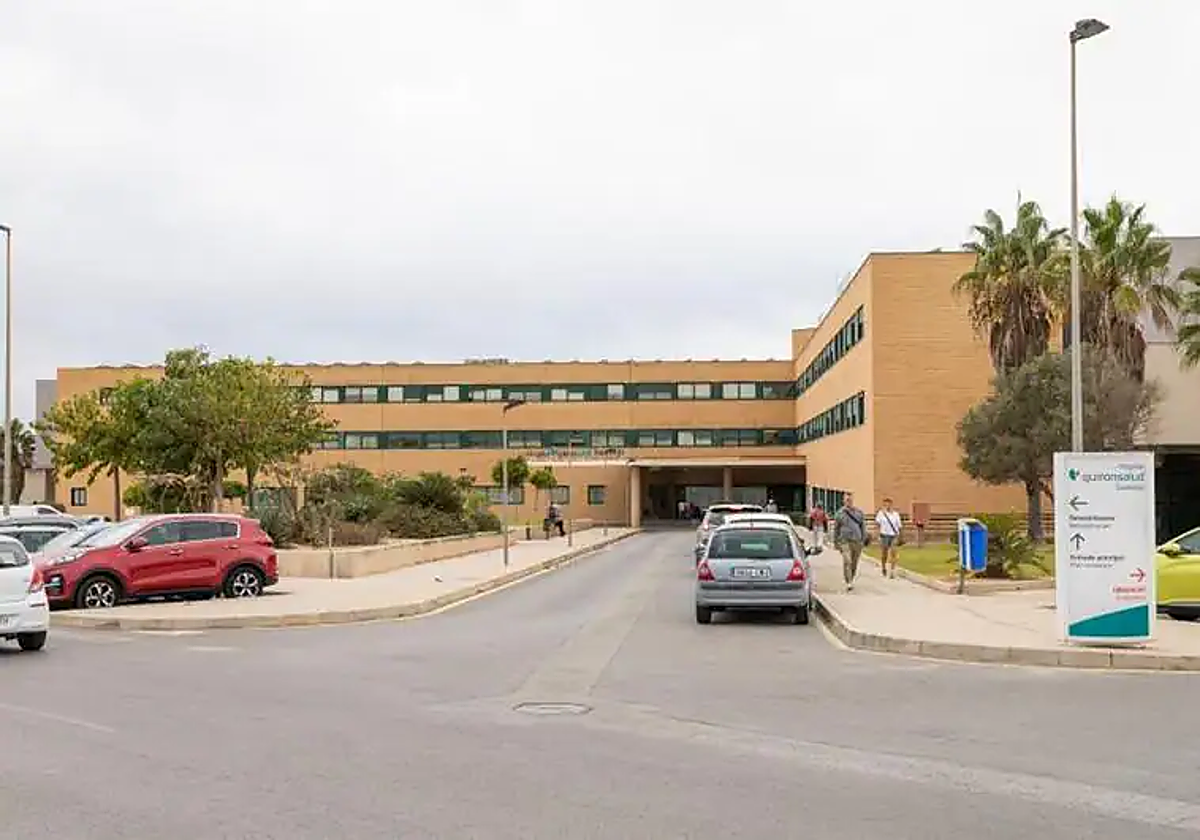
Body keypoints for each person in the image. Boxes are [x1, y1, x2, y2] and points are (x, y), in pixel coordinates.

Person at [833, 493, 867, 591]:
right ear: (844, 501)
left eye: (850, 500)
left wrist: (863, 540)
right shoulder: (839, 513)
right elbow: (836, 529)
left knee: (854, 563)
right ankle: (848, 582)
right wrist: (835, 542)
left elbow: (862, 527)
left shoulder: (859, 513)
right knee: (847, 560)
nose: (849, 502)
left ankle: (851, 578)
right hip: (844, 541)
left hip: (857, 541)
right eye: (847, 500)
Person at [875, 497, 903, 578]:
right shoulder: (881, 514)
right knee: (884, 554)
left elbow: (899, 526)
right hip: (884, 535)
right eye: (886, 504)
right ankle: (884, 567)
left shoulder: (896, 514)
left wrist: (900, 536)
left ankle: (892, 570)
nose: (887, 506)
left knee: (893, 552)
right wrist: (878, 535)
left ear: (891, 504)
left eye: (889, 504)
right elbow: (878, 525)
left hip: (893, 535)